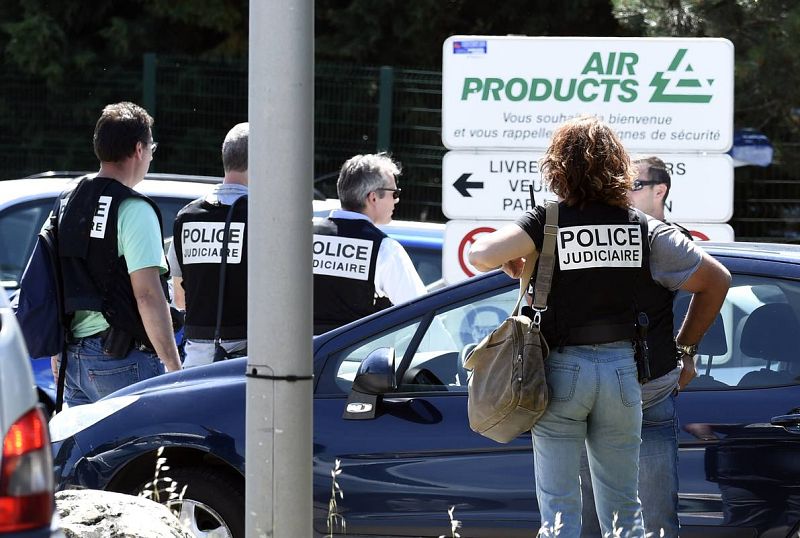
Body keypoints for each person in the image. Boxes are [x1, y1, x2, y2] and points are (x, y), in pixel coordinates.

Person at [468, 116, 730, 537]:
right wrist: (685, 350)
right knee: (625, 511)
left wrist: (511, 257)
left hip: (561, 371)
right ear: (618, 168)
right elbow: (718, 279)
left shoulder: (548, 220)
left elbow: (479, 254)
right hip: (624, 373)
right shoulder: (641, 226)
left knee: (559, 512)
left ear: (558, 168)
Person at [579, 155, 706, 537]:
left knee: (655, 523)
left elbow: (714, 287)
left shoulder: (673, 244)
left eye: (632, 186)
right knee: (591, 524)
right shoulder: (608, 237)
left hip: (654, 389)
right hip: (599, 389)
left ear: (659, 190)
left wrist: (686, 353)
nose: (624, 193)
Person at [54, 102, 181, 406]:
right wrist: (175, 369)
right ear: (139, 149)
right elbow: (148, 295)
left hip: (71, 359)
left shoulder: (69, 201)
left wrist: (55, 348)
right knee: (145, 439)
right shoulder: (133, 208)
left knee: (85, 441)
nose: (151, 155)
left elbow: (55, 279)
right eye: (152, 148)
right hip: (121, 360)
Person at [313, 153, 426, 334]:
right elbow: (420, 312)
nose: (397, 200)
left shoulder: (304, 238)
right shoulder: (384, 248)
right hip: (351, 351)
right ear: (373, 197)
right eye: (394, 193)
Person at [167, 123, 249, 368]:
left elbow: (179, 299)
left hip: (195, 360)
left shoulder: (187, 216)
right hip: (247, 361)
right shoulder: (265, 217)